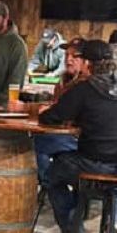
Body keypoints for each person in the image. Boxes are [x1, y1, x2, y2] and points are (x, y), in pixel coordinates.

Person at [38, 40, 117, 233]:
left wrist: (46, 112)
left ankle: (74, 231)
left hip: (95, 165)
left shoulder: (85, 89)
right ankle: (114, 224)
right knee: (106, 175)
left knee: (52, 174)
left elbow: (51, 117)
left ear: (86, 63)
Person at [33, 38, 88, 189]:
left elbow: (62, 113)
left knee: (36, 144)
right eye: (66, 55)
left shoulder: (85, 84)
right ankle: (51, 184)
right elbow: (54, 107)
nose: (68, 60)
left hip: (78, 140)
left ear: (86, 61)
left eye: (75, 56)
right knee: (39, 140)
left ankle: (48, 184)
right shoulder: (64, 80)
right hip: (62, 133)